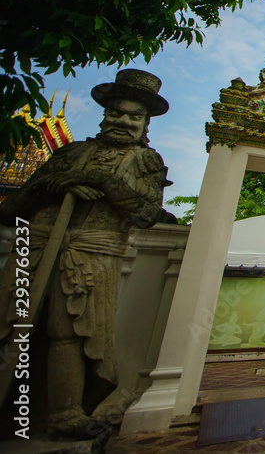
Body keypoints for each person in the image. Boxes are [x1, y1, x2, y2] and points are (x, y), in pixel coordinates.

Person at [0, 69, 169, 439]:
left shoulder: (145, 162)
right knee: (7, 320)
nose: (123, 121)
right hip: (38, 241)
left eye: (134, 116)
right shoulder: (71, 152)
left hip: (93, 250)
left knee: (71, 332)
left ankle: (65, 413)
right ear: (104, 113)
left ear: (145, 122)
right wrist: (54, 182)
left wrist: (101, 181)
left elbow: (145, 213)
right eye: (116, 112)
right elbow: (11, 209)